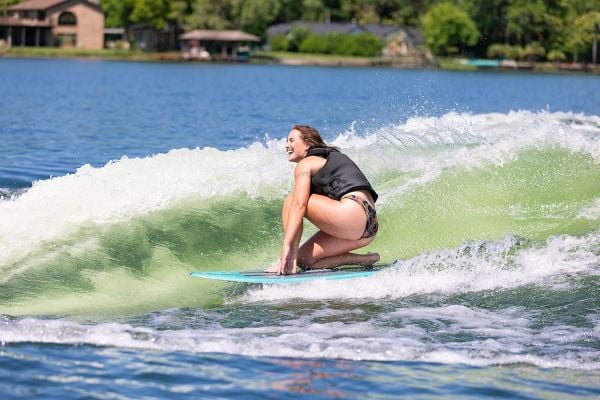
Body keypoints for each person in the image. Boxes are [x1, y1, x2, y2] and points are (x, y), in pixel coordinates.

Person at [268, 125, 380, 275]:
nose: (287, 145)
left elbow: (299, 205)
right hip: (368, 227)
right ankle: (364, 260)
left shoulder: (306, 163)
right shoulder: (328, 158)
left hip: (353, 212)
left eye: (292, 140)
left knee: (290, 201)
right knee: (306, 261)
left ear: (307, 143)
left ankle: (288, 261)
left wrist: (287, 245)